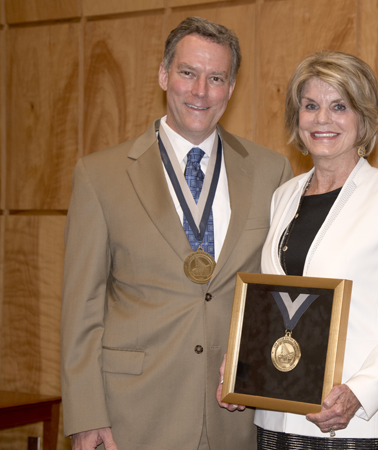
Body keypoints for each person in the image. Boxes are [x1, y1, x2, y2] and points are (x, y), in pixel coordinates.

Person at [60, 17, 293, 450]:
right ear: (164, 75)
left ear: (232, 86)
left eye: (216, 78)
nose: (200, 91)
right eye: (188, 73)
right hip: (134, 414)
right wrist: (85, 414)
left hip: (236, 416)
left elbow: (286, 281)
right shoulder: (100, 175)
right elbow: (82, 307)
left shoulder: (271, 171)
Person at [218, 51, 378, 450]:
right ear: (297, 117)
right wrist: (240, 366)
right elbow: (273, 301)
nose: (322, 119)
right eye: (310, 106)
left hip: (349, 423)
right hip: (275, 415)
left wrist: (359, 392)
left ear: (364, 118)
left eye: (340, 106)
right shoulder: (284, 196)